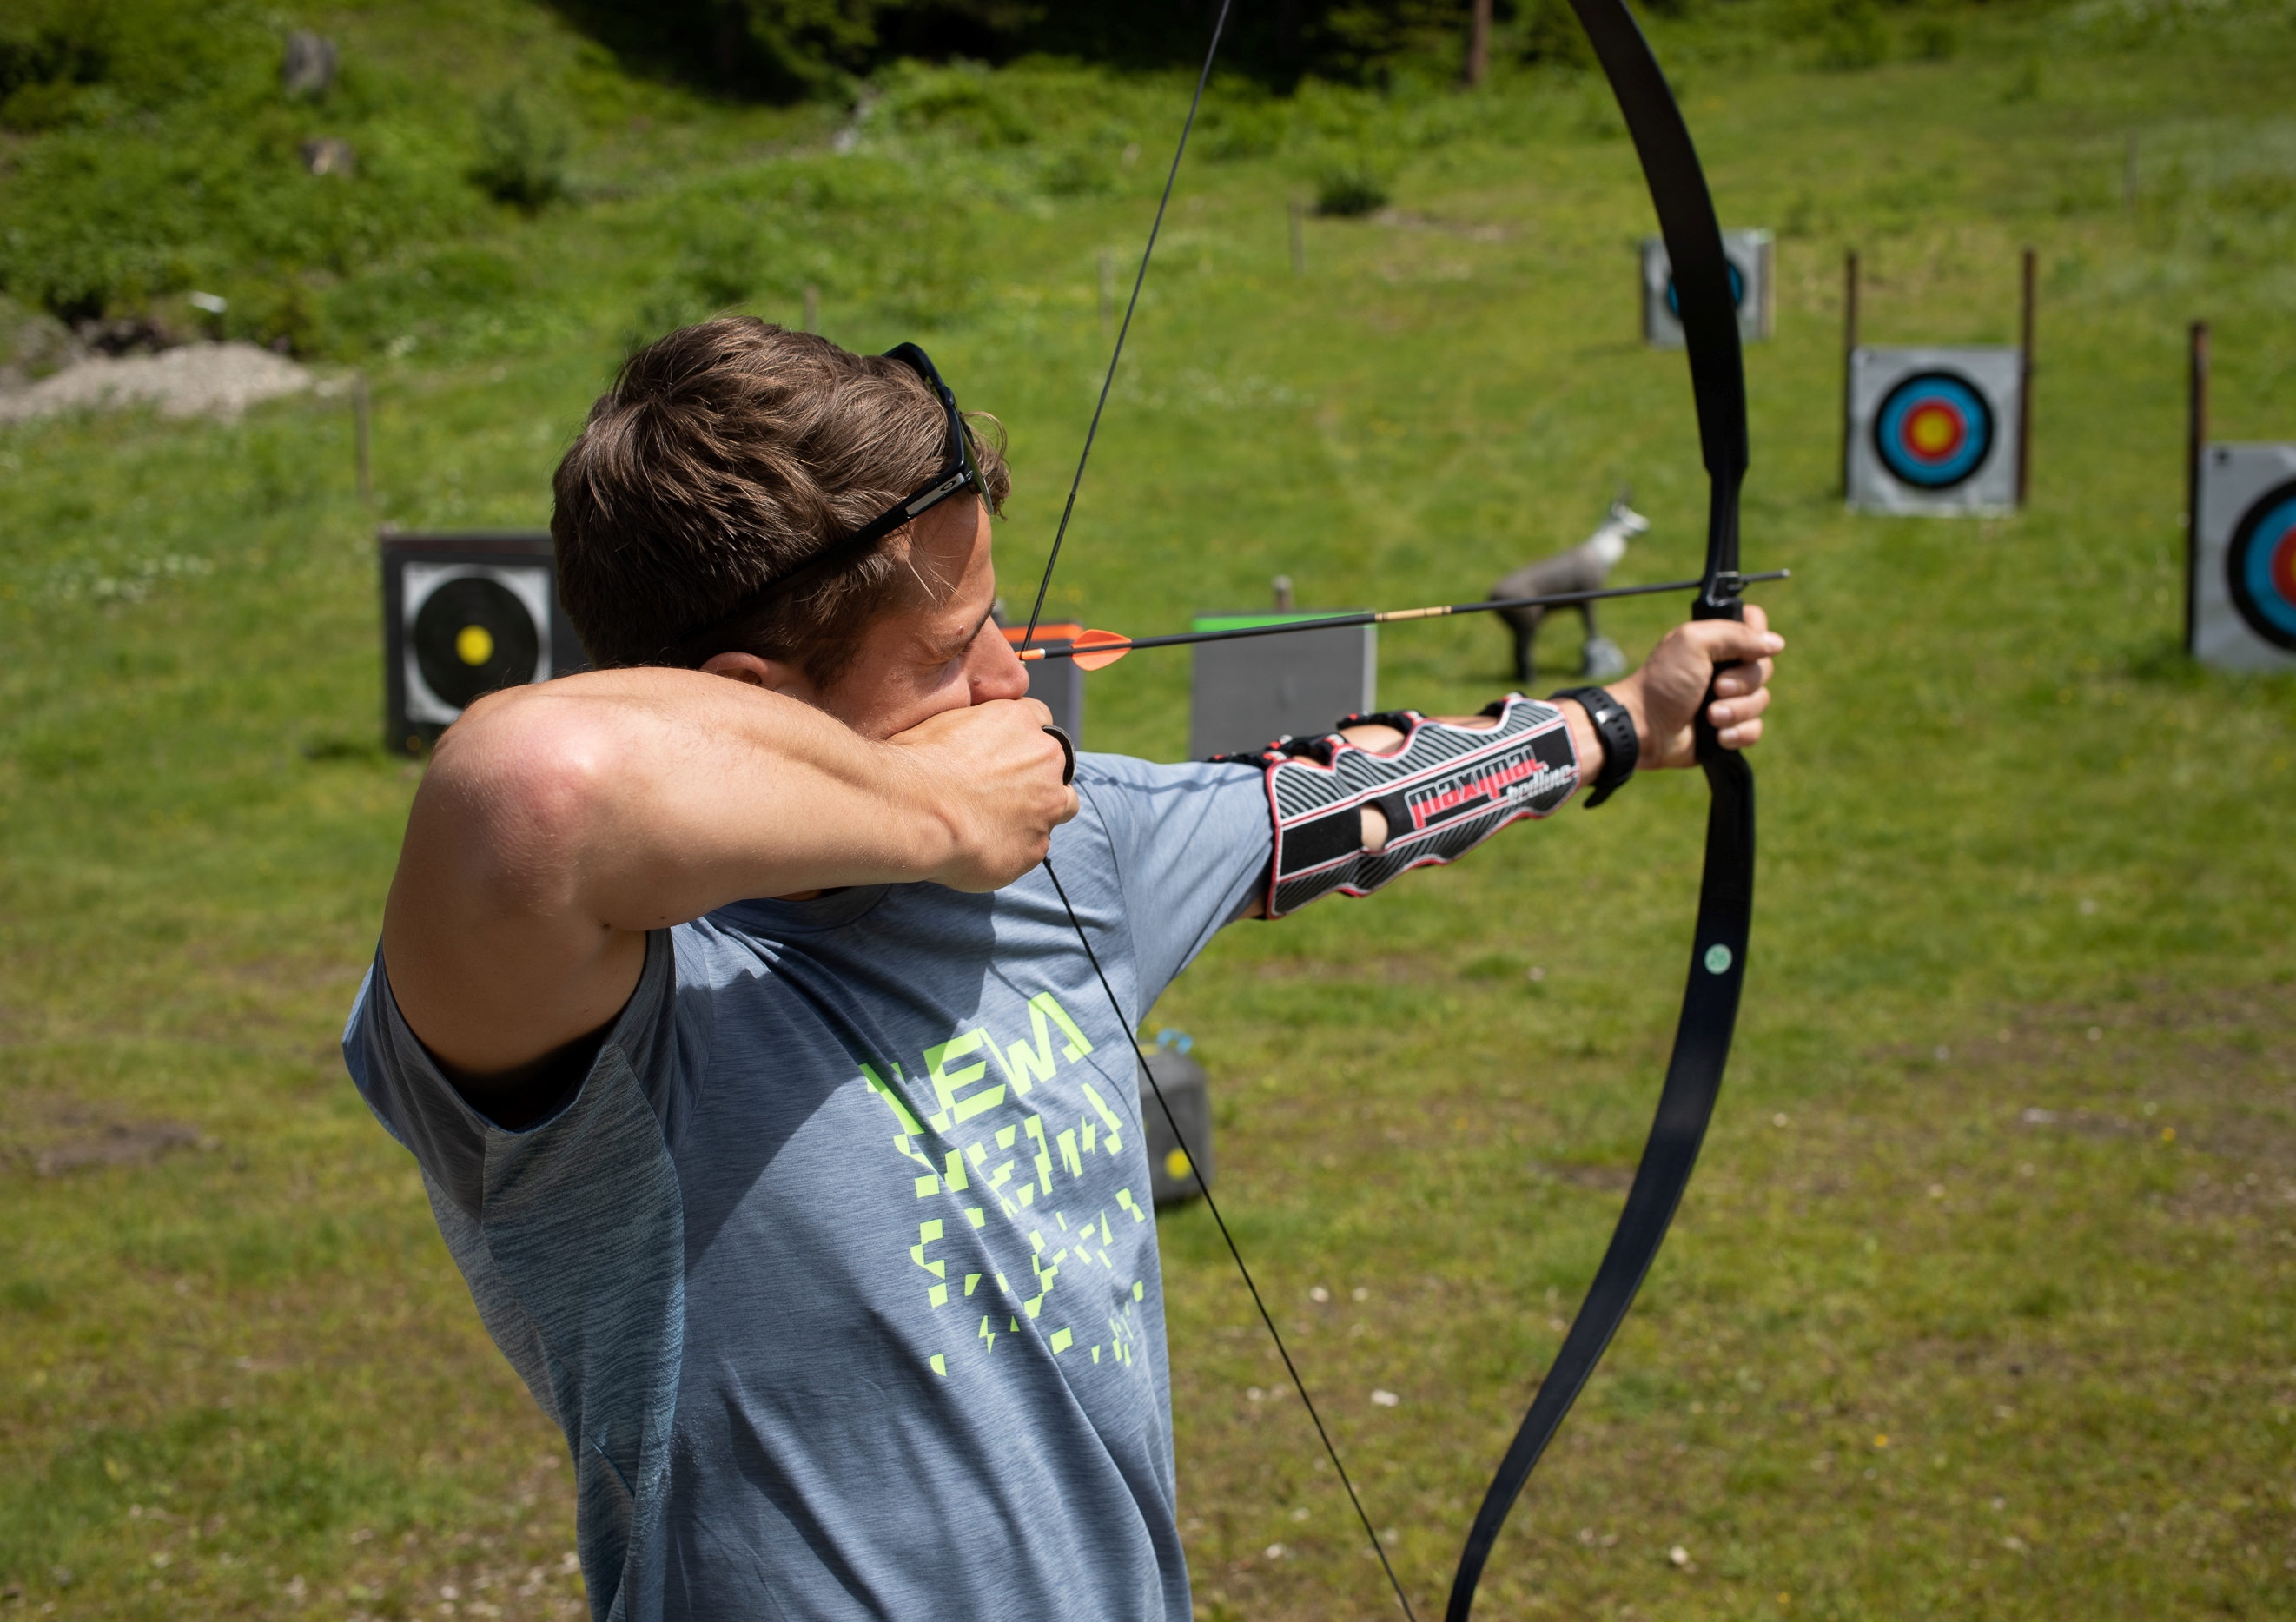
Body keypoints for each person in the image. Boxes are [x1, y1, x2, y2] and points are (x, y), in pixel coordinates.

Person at [342, 318, 1782, 1622]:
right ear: (748, 705)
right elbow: (529, 781)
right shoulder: (621, 1022)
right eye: (954, 651)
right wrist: (939, 812)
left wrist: (1623, 721)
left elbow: (1347, 801)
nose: (1013, 686)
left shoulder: (1069, 851)